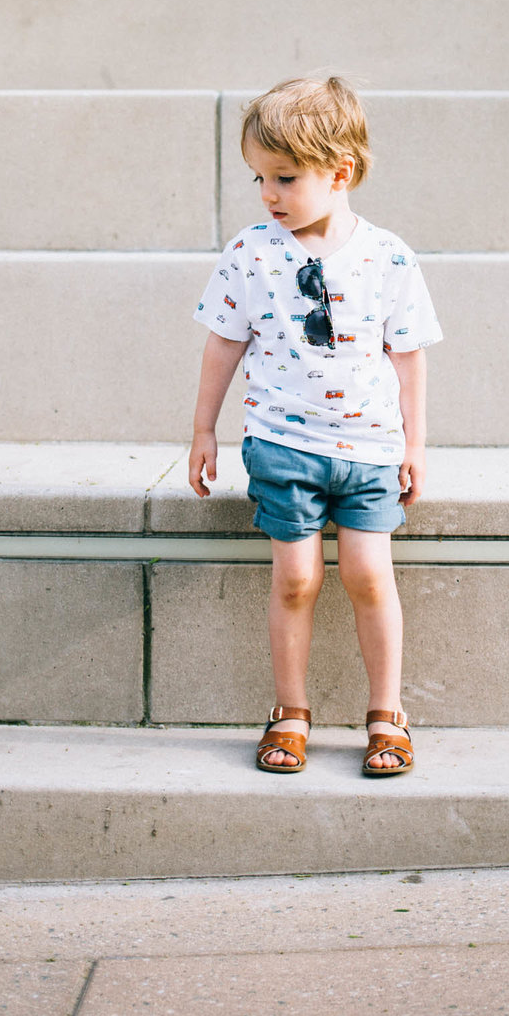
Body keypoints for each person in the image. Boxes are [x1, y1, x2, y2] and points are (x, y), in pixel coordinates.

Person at [189, 76, 442, 778]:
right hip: (283, 446)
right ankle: (290, 711)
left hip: (368, 451)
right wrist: (204, 429)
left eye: (285, 178)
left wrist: (415, 445)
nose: (268, 194)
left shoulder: (388, 256)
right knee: (296, 579)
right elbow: (222, 342)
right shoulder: (251, 252)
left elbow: (408, 355)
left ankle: (387, 713)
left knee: (368, 575)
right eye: (259, 178)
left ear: (341, 174)